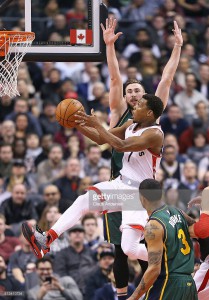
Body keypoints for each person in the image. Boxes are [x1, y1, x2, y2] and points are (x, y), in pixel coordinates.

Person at [22, 94, 164, 268]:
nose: (134, 107)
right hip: (121, 185)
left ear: (150, 113)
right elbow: (101, 139)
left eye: (139, 105)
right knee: (83, 200)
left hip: (139, 196)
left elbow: (121, 146)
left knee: (130, 249)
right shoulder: (130, 125)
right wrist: (78, 124)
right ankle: (46, 239)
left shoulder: (155, 134)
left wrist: (98, 124)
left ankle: (166, 257)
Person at [100, 17, 183, 299]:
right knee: (119, 251)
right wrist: (109, 46)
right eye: (130, 90)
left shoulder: (153, 113)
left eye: (138, 90)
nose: (134, 93)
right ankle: (123, 295)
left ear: (145, 97)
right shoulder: (118, 113)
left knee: (143, 243)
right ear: (124, 96)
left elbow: (167, 78)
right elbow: (113, 77)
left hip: (144, 188)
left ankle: (159, 285)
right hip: (118, 183)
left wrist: (177, 48)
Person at [128, 178, 198, 300]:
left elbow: (154, 269)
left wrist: (133, 297)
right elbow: (198, 231)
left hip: (169, 284)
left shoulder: (153, 226)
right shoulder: (178, 211)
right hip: (189, 284)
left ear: (141, 198)